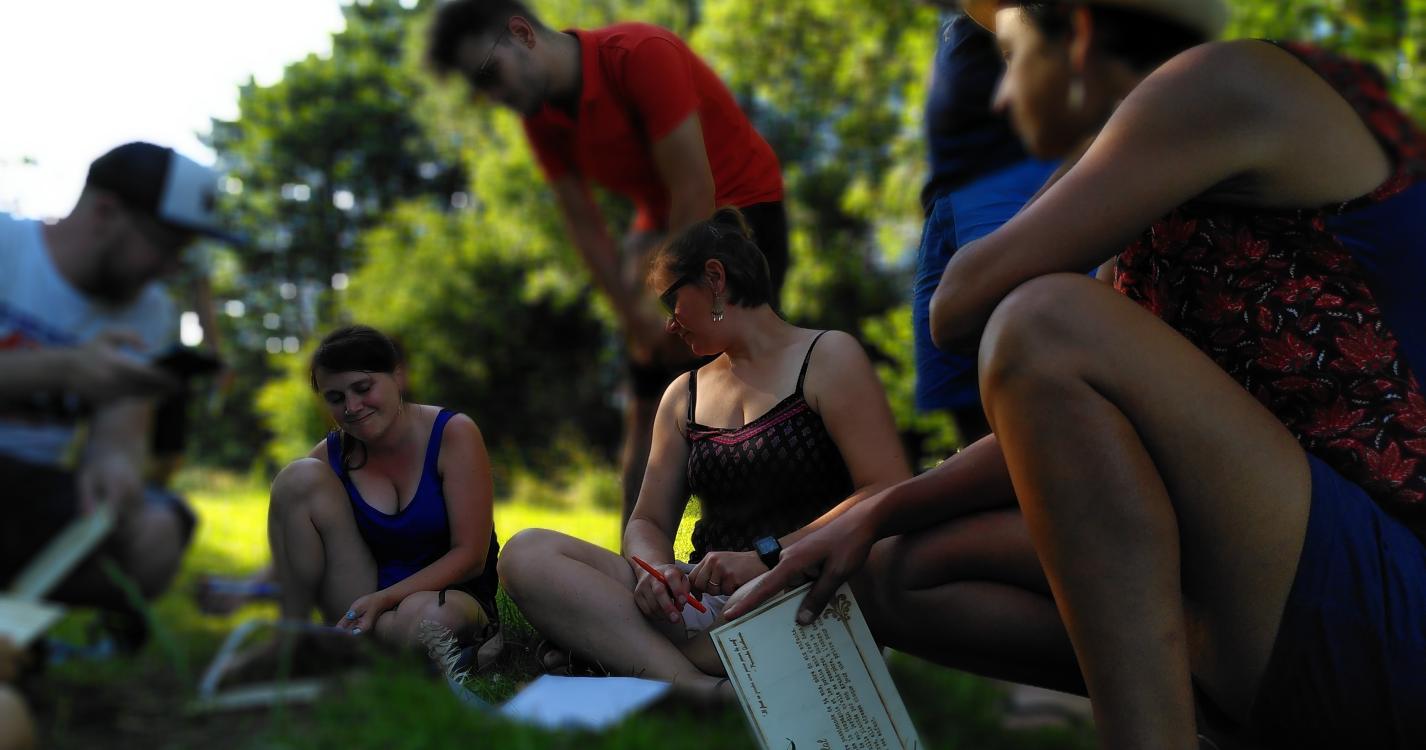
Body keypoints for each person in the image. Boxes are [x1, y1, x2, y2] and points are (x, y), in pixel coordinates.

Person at [726, 0, 1426, 747]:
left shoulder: (1224, 83)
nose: (1001, 97)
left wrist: (1089, 145)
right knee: (890, 570)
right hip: (1275, 588)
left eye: (1009, 54)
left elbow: (958, 306)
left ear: (1081, 31)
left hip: (1391, 594)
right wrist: (861, 518)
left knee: (1042, 321)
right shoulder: (1157, 190)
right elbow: (1065, 439)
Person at [498, 208, 909, 700]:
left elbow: (886, 488)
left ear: (715, 278)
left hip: (804, 590)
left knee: (788, 610)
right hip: (702, 600)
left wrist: (769, 558)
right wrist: (658, 573)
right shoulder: (683, 394)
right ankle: (699, 687)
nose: (669, 324)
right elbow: (647, 521)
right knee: (526, 553)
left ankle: (622, 654)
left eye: (671, 301)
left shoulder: (828, 357)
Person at [425, 0, 788, 526]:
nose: (493, 98)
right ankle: (633, 556)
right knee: (647, 398)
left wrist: (672, 303)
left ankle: (766, 543)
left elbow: (695, 188)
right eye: (478, 90)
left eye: (489, 75)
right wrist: (636, 317)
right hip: (662, 228)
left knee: (739, 382)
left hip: (740, 208)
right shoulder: (540, 116)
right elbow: (584, 226)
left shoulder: (640, 55)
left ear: (522, 33)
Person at [0, 142, 237, 621]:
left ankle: (18, 625)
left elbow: (121, 432)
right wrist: (63, 369)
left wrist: (116, 463)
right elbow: (70, 372)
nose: (171, 268)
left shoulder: (150, 310)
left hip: (30, 491)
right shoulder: (8, 245)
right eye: (166, 245)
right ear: (106, 212)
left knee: (157, 534)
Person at [267, 325, 501, 658]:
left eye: (363, 388)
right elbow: (293, 546)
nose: (351, 407)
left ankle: (354, 647)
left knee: (429, 619)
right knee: (297, 476)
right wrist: (245, 591)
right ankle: (299, 641)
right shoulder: (331, 455)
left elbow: (471, 557)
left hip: (446, 596)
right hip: (360, 597)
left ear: (398, 376)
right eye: (335, 398)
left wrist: (384, 599)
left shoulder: (453, 433)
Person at [913, 5, 1056, 443]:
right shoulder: (960, 23)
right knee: (956, 381)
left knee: (1023, 364)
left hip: (1008, 182)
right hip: (945, 201)